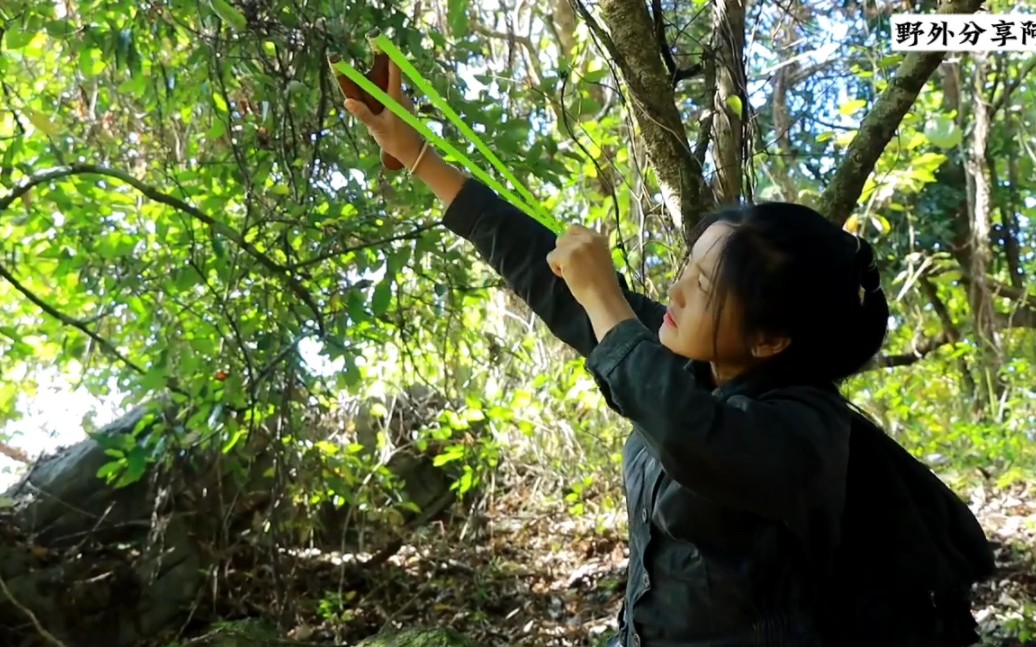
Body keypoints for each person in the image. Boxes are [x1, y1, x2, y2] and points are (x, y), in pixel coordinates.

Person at [343, 57, 995, 646]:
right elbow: (554, 281)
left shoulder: (807, 432)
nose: (678, 290)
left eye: (704, 286)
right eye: (688, 267)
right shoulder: (695, 363)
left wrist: (605, 299)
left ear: (771, 338)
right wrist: (416, 152)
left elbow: (694, 435)